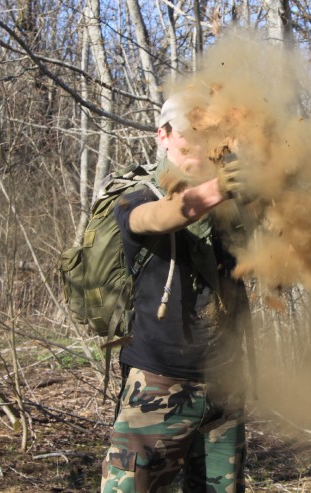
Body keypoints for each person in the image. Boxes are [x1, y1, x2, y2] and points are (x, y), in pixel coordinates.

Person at [101, 94, 252, 493]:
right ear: (163, 136)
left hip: (225, 385)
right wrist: (214, 190)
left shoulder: (234, 204)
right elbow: (157, 217)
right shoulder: (137, 196)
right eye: (189, 137)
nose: (200, 147)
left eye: (209, 137)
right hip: (158, 386)